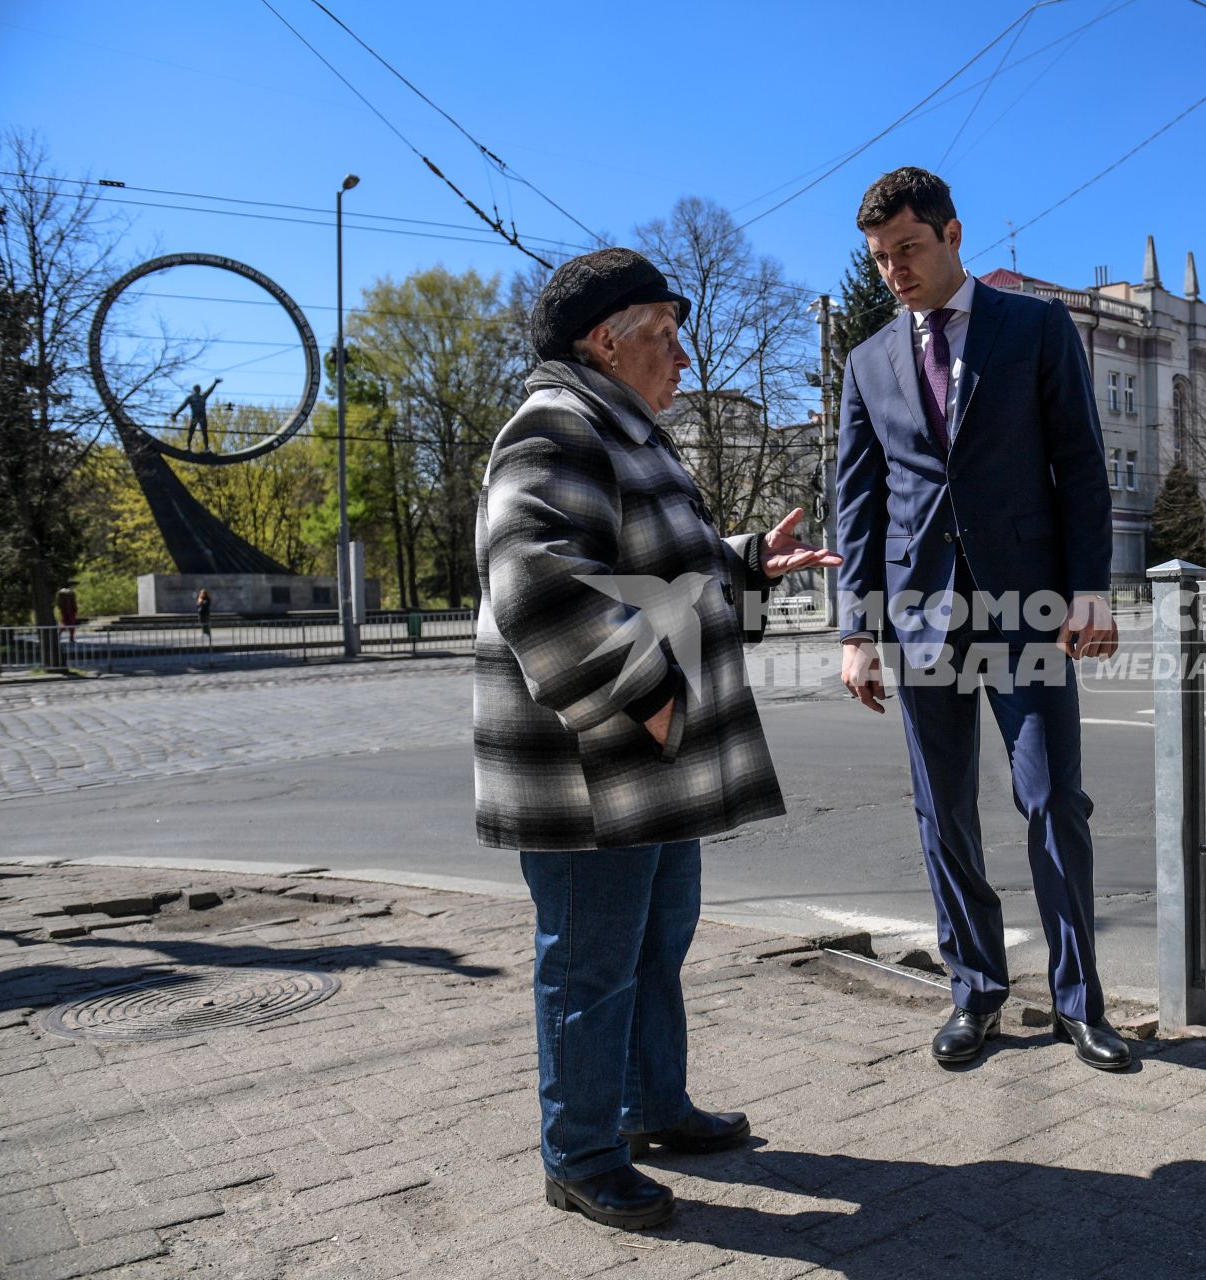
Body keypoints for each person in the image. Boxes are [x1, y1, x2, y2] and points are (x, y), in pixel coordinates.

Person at [474, 248, 839, 1234]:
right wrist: (660, 703)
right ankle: (583, 1157)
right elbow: (540, 591)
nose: (683, 357)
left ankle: (651, 1107)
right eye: (666, 335)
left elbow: (650, 564)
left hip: (639, 761)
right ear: (607, 339)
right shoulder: (555, 429)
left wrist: (748, 561)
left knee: (654, 945)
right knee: (592, 962)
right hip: (599, 762)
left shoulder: (615, 427)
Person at [835, 167, 1128, 1073]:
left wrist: (1092, 585)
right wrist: (857, 632)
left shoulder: (1035, 328)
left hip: (1028, 608)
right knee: (943, 813)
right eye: (881, 259)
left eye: (909, 250)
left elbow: (1079, 463)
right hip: (921, 616)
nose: (895, 272)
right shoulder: (867, 361)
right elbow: (858, 505)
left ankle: (1081, 1005)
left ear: (954, 235)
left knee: (1052, 800)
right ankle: (977, 992)